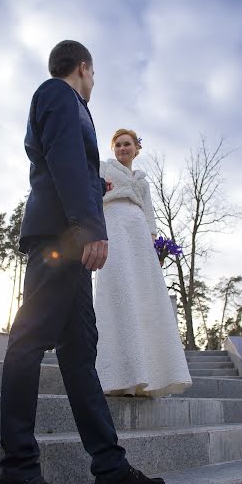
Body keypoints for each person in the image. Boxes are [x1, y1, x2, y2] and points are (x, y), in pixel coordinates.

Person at [0, 41, 165, 484]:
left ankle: (110, 469)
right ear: (84, 68)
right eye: (94, 74)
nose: (93, 83)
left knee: (79, 355)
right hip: (61, 237)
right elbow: (66, 156)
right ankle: (17, 474)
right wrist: (90, 225)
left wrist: (95, 186)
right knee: (28, 343)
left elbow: (72, 163)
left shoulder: (62, 103)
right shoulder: (61, 95)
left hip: (67, 234)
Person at [93, 129, 192, 397]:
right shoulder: (103, 169)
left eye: (128, 144)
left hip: (138, 237)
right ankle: (117, 375)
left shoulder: (144, 182)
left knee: (143, 298)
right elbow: (92, 198)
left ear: (137, 149)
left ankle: (147, 375)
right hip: (112, 225)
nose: (123, 148)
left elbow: (149, 216)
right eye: (118, 145)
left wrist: (152, 247)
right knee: (119, 291)